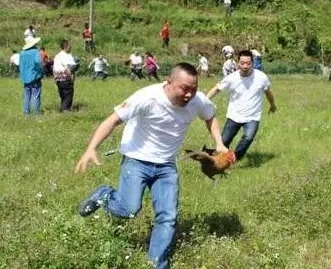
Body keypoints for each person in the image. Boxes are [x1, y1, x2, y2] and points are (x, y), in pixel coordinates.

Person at [75, 63, 228, 269]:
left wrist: (219, 143)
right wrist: (91, 148)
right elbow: (113, 120)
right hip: (136, 161)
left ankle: (157, 264)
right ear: (169, 82)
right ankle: (104, 195)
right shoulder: (147, 97)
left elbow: (210, 117)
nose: (189, 94)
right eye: (184, 88)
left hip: (166, 166)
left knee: (168, 217)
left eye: (193, 88)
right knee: (129, 210)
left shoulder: (198, 100)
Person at [206, 50, 277, 161]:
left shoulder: (261, 77)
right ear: (237, 63)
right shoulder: (231, 78)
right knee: (223, 142)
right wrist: (204, 100)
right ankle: (216, 160)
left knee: (248, 138)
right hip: (234, 115)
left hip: (252, 116)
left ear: (252, 63)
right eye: (242, 63)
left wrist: (272, 105)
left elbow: (268, 92)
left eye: (248, 63)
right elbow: (217, 88)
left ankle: (234, 158)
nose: (245, 66)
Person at [19, 36, 43, 115]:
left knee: (27, 96)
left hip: (25, 78)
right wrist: (41, 72)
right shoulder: (36, 52)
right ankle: (36, 113)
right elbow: (38, 63)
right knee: (36, 95)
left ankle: (26, 112)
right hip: (35, 77)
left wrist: (23, 76)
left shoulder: (22, 53)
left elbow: (21, 67)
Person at [53, 39, 78, 112]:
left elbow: (54, 68)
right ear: (66, 47)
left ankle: (63, 108)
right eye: (70, 46)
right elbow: (72, 67)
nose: (71, 47)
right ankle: (65, 110)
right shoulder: (67, 56)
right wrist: (72, 76)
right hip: (66, 79)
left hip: (58, 79)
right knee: (68, 95)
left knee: (63, 96)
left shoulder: (57, 56)